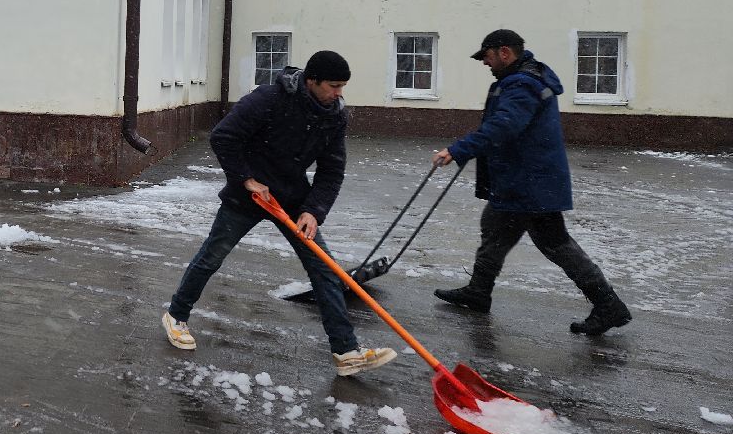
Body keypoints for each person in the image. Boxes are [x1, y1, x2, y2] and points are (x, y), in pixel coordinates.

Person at [162, 51, 398, 376]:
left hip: (292, 200)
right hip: (249, 196)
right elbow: (223, 136)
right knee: (212, 257)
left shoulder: (334, 115)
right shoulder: (270, 98)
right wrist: (246, 179)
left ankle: (346, 352)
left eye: (343, 86)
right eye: (333, 86)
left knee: (324, 270)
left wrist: (314, 211)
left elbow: (332, 170)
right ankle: (176, 316)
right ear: (312, 80)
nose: (339, 93)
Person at [432, 29, 631, 336]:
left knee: (556, 245)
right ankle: (478, 291)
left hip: (531, 185)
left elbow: (505, 126)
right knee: (495, 228)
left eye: (486, 56)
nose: (484, 63)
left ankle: (608, 305)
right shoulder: (522, 80)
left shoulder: (522, 84)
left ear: (504, 52)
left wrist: (460, 149)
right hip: (521, 182)